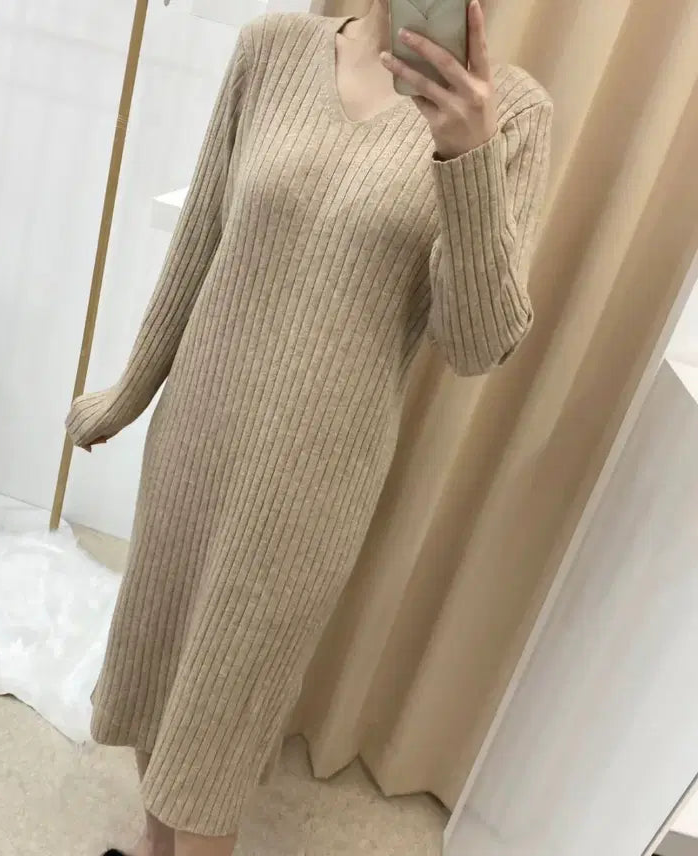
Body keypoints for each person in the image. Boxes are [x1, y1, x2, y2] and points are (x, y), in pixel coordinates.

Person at [66, 2, 552, 854]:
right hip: (199, 429)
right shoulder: (271, 50)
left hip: (314, 475)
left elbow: (476, 343)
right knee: (160, 660)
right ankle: (150, 844)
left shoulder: (512, 115)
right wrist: (129, 392)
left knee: (222, 712)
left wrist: (466, 157)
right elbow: (201, 239)